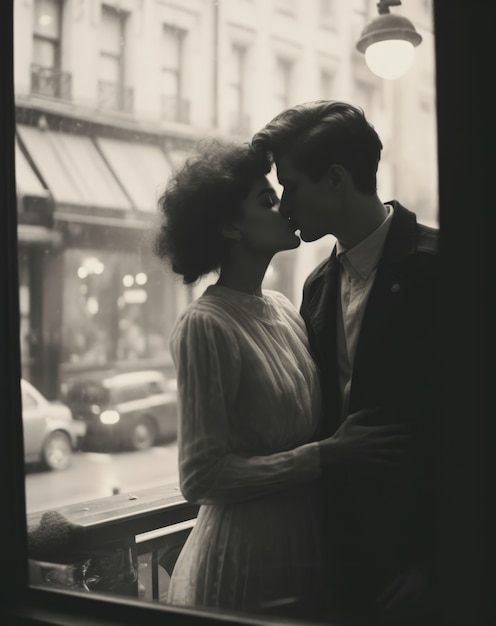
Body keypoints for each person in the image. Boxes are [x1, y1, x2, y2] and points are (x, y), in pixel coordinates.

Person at [153, 138, 408, 621]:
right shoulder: (205, 324)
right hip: (245, 558)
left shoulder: (288, 308)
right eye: (267, 201)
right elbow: (201, 476)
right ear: (231, 225)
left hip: (304, 547)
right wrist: (327, 453)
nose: (285, 208)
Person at [251, 100, 441, 626]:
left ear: (335, 179)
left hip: (424, 569)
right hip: (337, 564)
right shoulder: (315, 287)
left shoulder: (441, 270)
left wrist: (437, 561)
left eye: (290, 185)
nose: (285, 205)